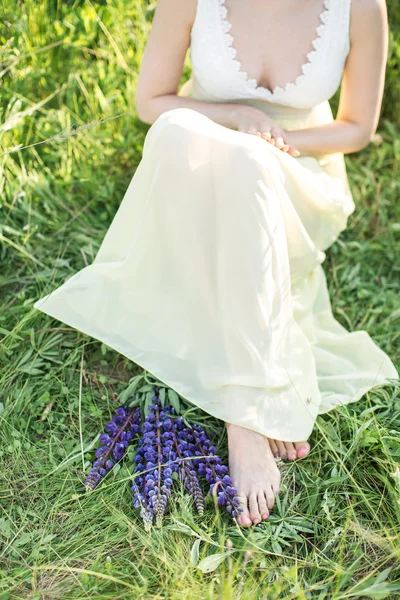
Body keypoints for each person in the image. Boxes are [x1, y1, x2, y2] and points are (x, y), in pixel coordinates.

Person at [34, 0, 398, 528]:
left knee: (248, 162)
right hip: (200, 157)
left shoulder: (361, 6)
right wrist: (234, 119)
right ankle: (247, 410)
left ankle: (241, 408)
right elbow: (150, 103)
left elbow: (357, 128)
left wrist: (275, 143)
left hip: (296, 174)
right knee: (177, 129)